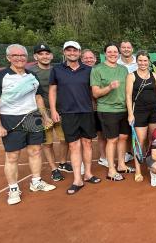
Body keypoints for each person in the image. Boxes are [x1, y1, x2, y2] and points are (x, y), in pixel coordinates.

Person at [0, 44, 56, 205]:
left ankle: (36, 181)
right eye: (15, 55)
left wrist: (45, 116)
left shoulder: (32, 75)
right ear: (8, 58)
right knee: (12, 156)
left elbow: (38, 97)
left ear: (27, 57)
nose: (19, 58)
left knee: (36, 150)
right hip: (10, 119)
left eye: (22, 55)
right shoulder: (0, 76)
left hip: (33, 117)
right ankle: (13, 188)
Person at [49, 41, 101, 195]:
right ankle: (77, 179)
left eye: (75, 50)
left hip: (86, 112)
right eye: (68, 50)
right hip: (68, 113)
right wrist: (53, 110)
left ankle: (88, 174)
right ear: (64, 52)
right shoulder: (57, 70)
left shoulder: (89, 70)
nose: (72, 53)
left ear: (79, 53)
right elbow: (52, 90)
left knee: (87, 143)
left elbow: (94, 91)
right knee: (73, 146)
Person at [91, 43, 133, 182]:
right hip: (107, 110)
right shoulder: (97, 69)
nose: (113, 54)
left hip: (124, 110)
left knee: (123, 138)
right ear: (105, 53)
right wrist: (109, 87)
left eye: (115, 52)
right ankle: (111, 170)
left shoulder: (123, 69)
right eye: (110, 52)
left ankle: (121, 165)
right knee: (112, 139)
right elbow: (95, 93)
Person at [30, 43, 70, 182]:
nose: (45, 56)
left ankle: (63, 162)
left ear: (52, 56)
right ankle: (54, 169)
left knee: (65, 139)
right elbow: (34, 95)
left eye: (47, 53)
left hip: (60, 111)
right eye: (41, 54)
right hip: (41, 113)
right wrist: (44, 115)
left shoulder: (58, 69)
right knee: (47, 143)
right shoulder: (31, 72)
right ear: (35, 56)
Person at [126, 50, 156, 182]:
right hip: (139, 112)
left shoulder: (155, 76)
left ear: (149, 61)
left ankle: (151, 167)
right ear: (137, 61)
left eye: (145, 60)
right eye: (140, 60)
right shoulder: (131, 76)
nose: (143, 63)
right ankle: (138, 170)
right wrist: (130, 114)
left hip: (155, 110)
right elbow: (128, 96)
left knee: (153, 141)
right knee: (140, 142)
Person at [81, 49, 108, 167]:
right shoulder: (78, 72)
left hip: (99, 109)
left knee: (102, 135)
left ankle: (103, 157)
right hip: (84, 110)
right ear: (81, 60)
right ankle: (83, 162)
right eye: (86, 58)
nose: (88, 60)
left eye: (91, 57)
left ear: (95, 59)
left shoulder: (100, 70)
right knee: (85, 139)